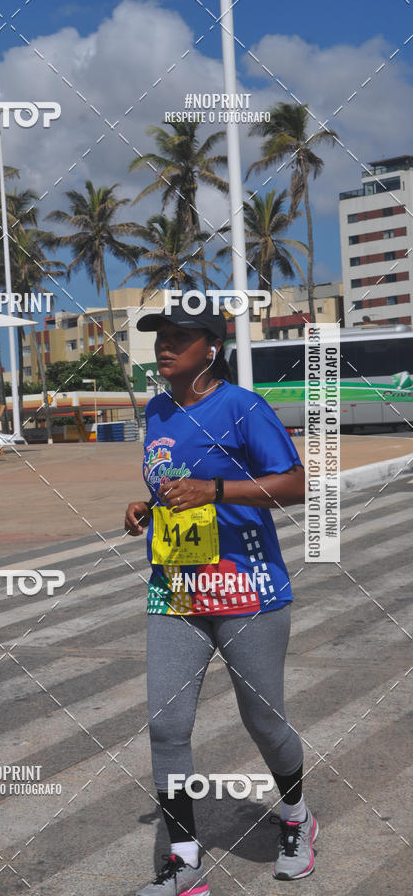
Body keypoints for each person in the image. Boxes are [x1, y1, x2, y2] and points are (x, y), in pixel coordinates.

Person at [125, 302, 315, 896]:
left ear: (212, 346)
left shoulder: (242, 406)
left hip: (246, 588)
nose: (165, 346)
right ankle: (184, 863)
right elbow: (171, 484)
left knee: (263, 719)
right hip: (176, 589)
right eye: (160, 337)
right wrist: (146, 506)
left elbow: (296, 483)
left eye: (180, 337)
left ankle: (297, 818)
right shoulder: (157, 409)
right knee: (167, 725)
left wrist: (215, 488)